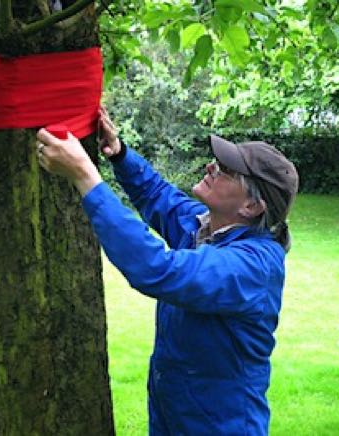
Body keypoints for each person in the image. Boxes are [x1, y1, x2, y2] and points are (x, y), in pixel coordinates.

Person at [36, 108, 299, 435]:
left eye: (226, 170)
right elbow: (157, 195)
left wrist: (85, 176)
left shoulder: (251, 266)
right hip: (174, 415)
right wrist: (119, 155)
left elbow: (156, 268)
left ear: (251, 206)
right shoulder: (205, 227)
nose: (211, 167)